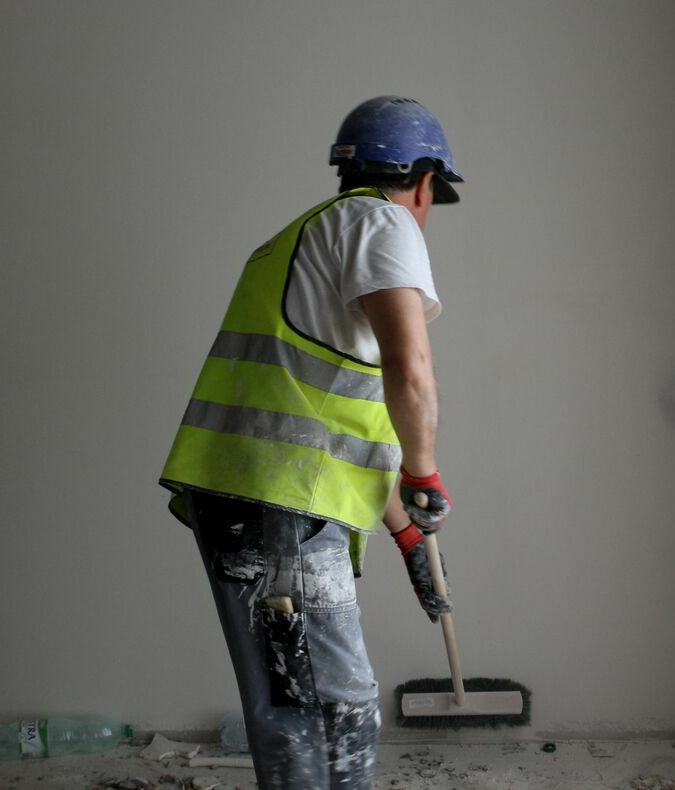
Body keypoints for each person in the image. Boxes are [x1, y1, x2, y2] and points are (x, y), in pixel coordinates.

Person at [159, 95, 461, 789]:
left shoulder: (299, 240)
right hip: (280, 507)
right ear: (422, 184)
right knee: (333, 714)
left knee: (291, 710)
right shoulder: (383, 222)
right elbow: (410, 371)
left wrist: (404, 533)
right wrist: (424, 475)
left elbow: (326, 423)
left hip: (247, 499)